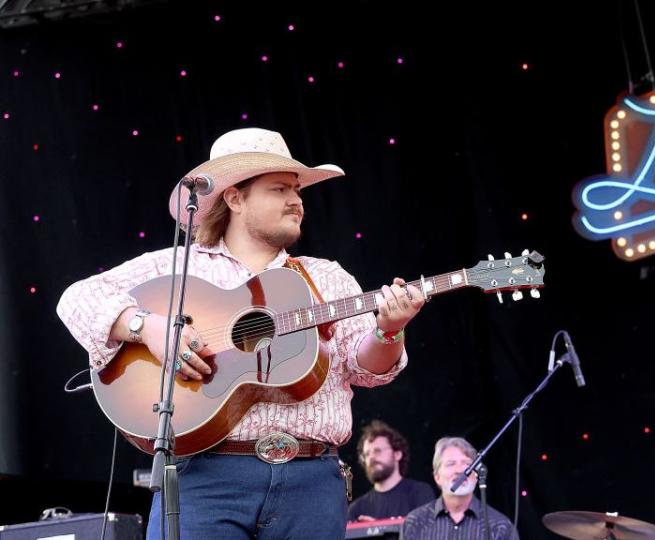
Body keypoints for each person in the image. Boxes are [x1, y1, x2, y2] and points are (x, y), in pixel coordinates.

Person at [56, 127, 425, 540]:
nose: (296, 201)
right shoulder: (179, 267)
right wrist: (150, 327)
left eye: (298, 191)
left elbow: (366, 368)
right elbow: (77, 298)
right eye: (280, 189)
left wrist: (390, 330)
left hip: (312, 482)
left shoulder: (328, 277)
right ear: (234, 197)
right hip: (204, 481)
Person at [401, 437, 519, 540]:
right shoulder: (416, 522)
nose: (460, 470)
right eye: (451, 464)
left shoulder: (499, 526)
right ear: (437, 477)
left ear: (476, 475)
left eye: (467, 464)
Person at [348, 420, 435, 522]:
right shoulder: (357, 509)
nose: (371, 457)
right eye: (367, 454)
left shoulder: (419, 493)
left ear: (397, 454)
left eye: (378, 451)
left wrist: (377, 530)